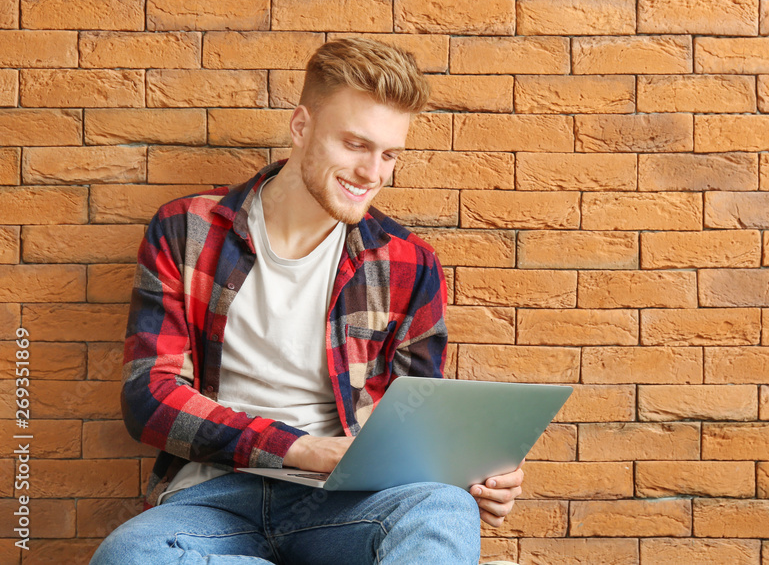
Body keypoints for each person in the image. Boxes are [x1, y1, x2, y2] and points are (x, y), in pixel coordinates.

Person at [91, 38, 523, 564]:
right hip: (213, 496)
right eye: (355, 145)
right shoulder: (186, 230)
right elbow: (150, 399)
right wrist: (300, 449)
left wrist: (473, 474)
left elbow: (414, 420)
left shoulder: (410, 264)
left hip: (348, 501)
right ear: (301, 127)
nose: (372, 173)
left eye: (389, 155)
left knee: (443, 509)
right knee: (130, 555)